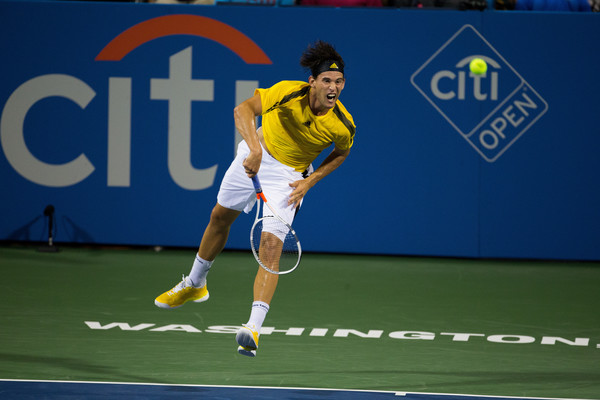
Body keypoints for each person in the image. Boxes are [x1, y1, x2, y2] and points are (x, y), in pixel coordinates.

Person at [154, 40, 356, 357]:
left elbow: (341, 153)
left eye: (339, 81)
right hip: (255, 154)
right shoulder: (288, 92)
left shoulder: (342, 123)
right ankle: (195, 283)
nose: (334, 87)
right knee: (220, 218)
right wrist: (255, 148)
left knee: (271, 247)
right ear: (312, 82)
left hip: (290, 178)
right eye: (327, 81)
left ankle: (253, 327)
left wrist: (310, 182)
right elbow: (243, 110)